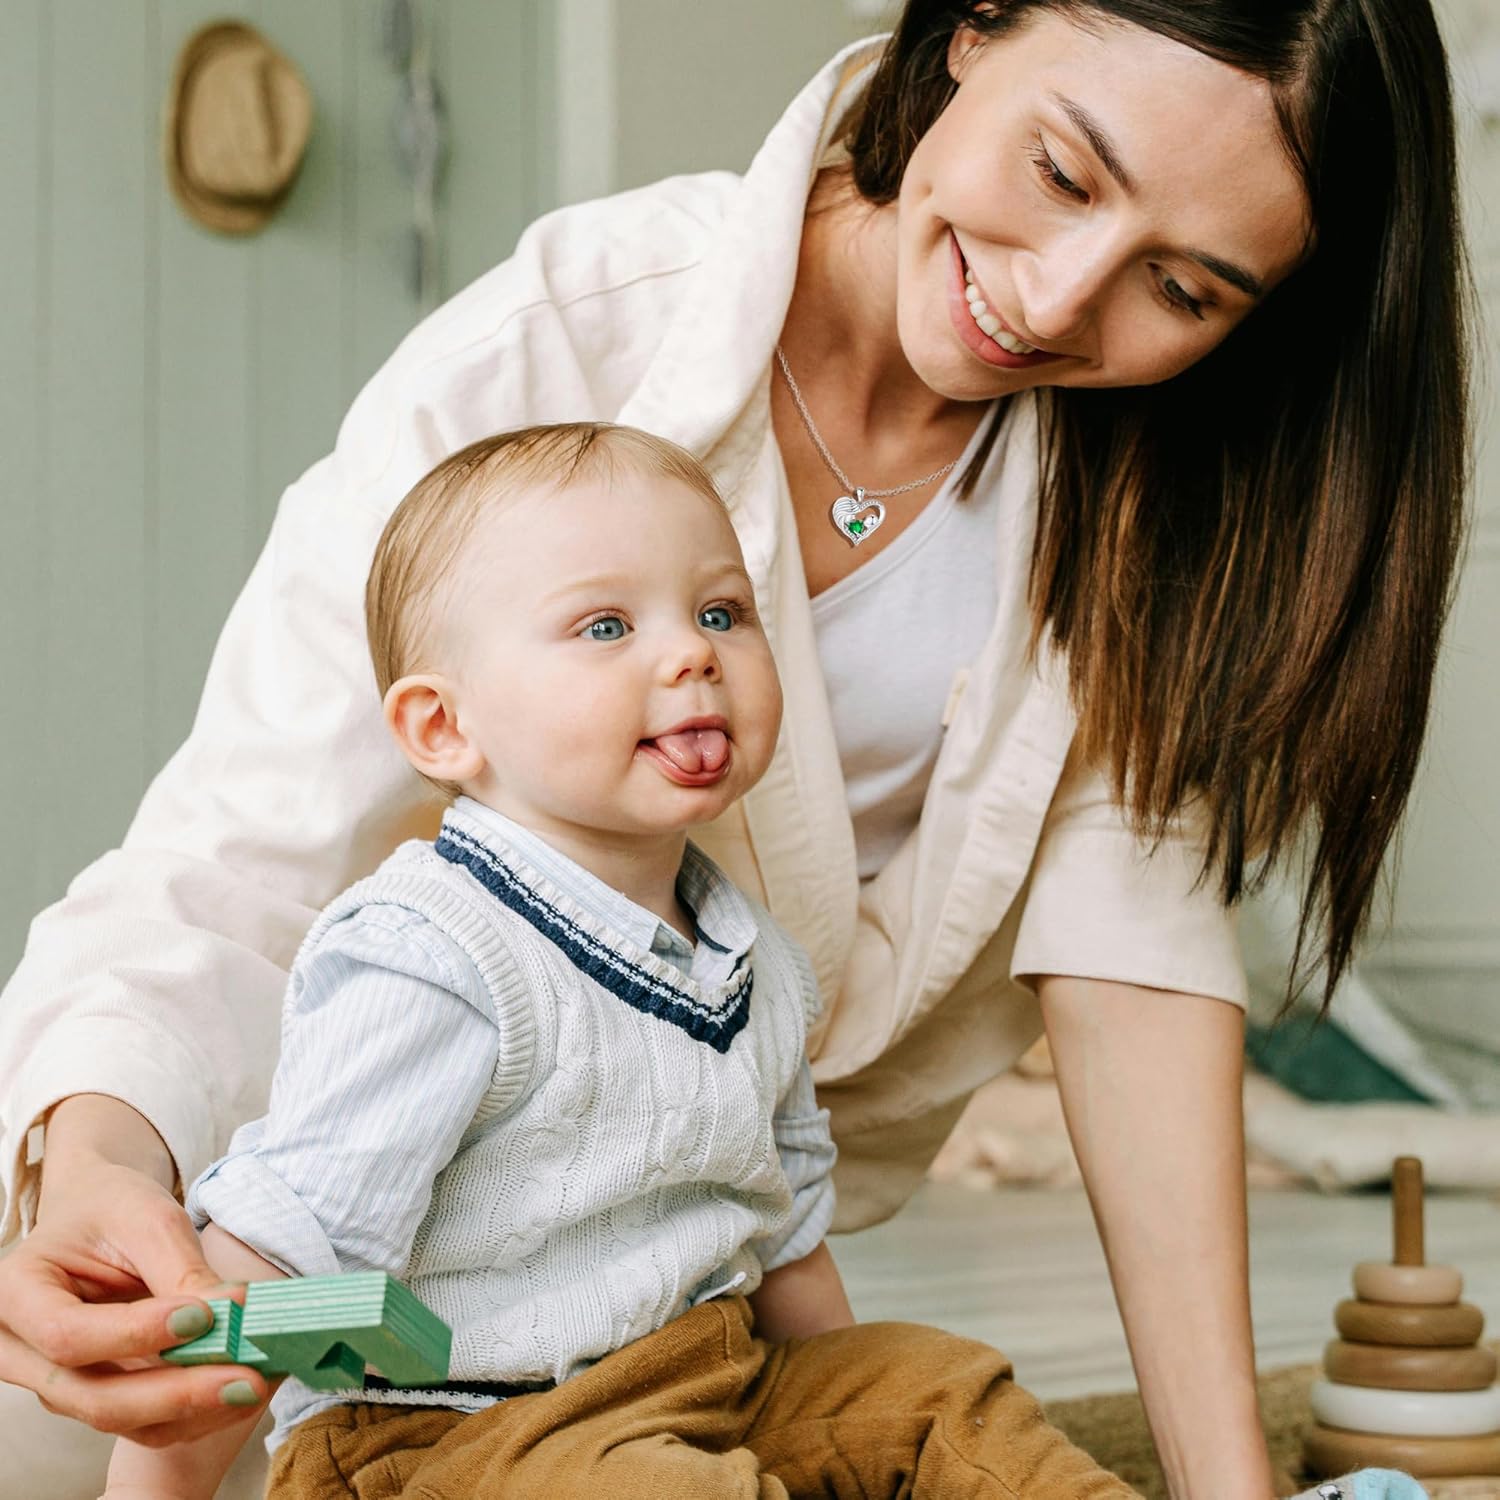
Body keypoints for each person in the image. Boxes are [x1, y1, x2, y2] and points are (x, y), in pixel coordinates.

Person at [0, 4, 1471, 1498]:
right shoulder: (567, 347)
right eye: (1064, 174)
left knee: (923, 1398)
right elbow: (233, 874)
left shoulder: (1149, 494)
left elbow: (1127, 960)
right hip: (332, 1320)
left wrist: (1229, 1487)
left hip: (683, 1319)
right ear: (976, 24)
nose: (1059, 299)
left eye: (1183, 287)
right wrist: (107, 1170)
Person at [100, 421, 1148, 1500]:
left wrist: (852, 1411)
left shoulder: (759, 964)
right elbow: (274, 1263)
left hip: (700, 1384)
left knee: (940, 1390)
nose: (692, 652)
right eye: (605, 625)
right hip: (449, 1436)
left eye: (721, 612)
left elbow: (779, 1236)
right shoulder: (433, 957)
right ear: (444, 727)